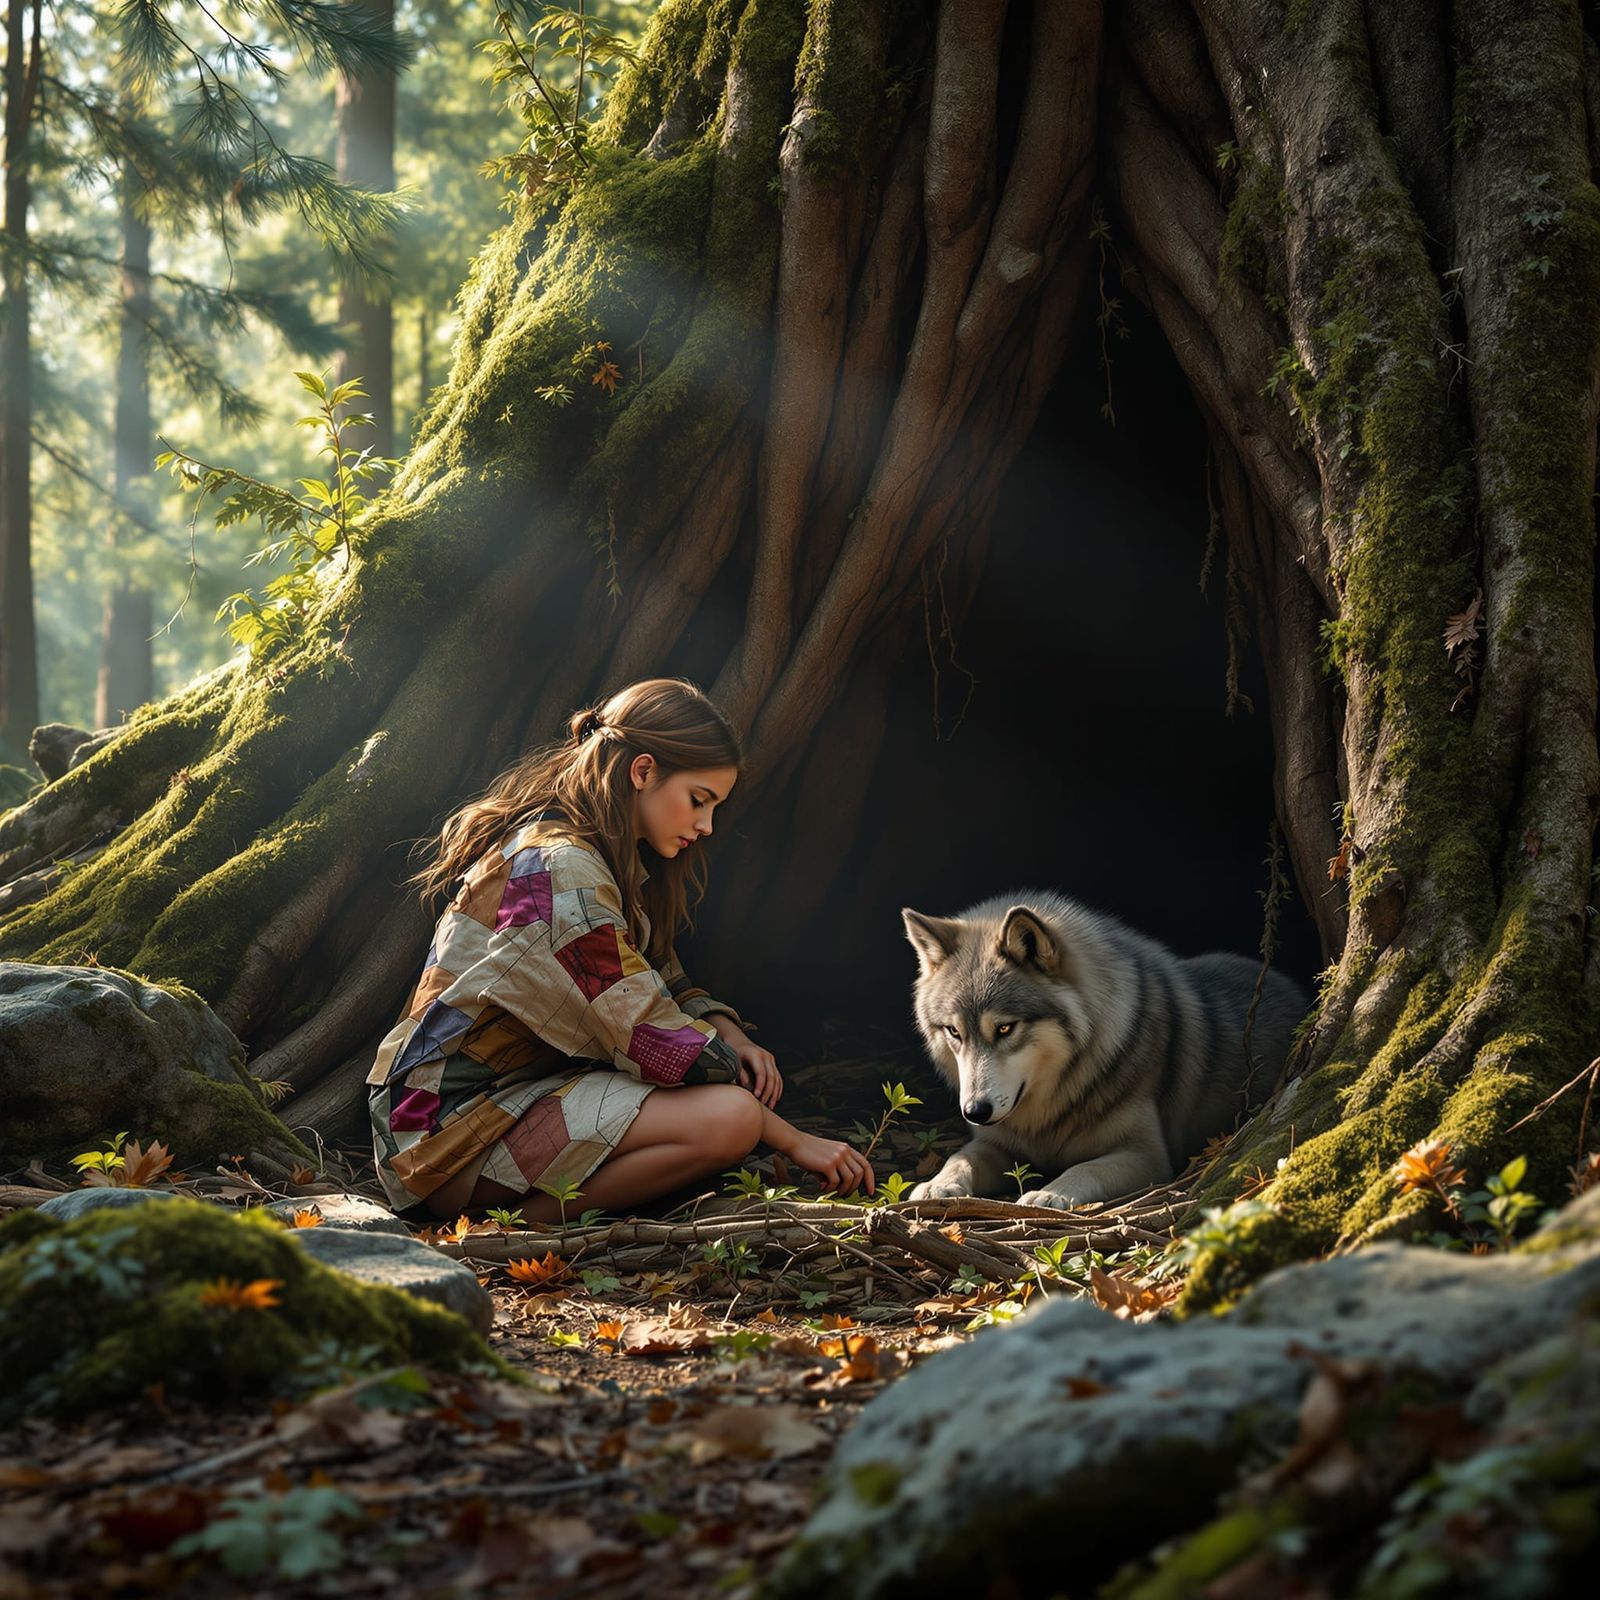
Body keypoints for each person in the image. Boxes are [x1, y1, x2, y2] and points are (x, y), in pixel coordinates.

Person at [367, 676, 875, 1223]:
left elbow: (660, 978)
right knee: (733, 1118)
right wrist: (794, 1139)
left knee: (732, 1115)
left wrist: (731, 1033)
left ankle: (522, 1221)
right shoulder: (561, 873)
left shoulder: (598, 857)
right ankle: (515, 1231)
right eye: (698, 800)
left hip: (502, 1107)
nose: (706, 826)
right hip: (445, 1137)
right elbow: (652, 1037)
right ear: (643, 771)